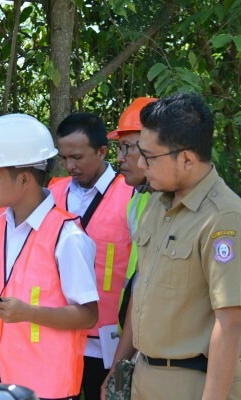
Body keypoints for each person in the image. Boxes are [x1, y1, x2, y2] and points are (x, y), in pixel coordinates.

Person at [0, 113, 99, 400]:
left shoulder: (68, 236)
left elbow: (88, 315)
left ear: (24, 179)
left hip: (41, 387)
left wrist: (30, 314)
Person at [130, 92, 241, 399]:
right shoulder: (155, 204)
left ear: (187, 159)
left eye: (149, 157)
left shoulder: (224, 218)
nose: (141, 163)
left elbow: (230, 324)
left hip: (193, 383)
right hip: (144, 375)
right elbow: (143, 286)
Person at [49, 112, 133, 400]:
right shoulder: (51, 193)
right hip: (58, 337)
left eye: (77, 157)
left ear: (101, 151)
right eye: (64, 158)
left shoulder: (132, 195)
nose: (70, 166)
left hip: (111, 343)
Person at [99, 97, 157, 399]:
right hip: (135, 345)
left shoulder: (180, 210)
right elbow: (139, 284)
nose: (119, 158)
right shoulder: (138, 200)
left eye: (126, 148)